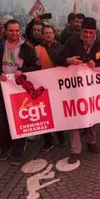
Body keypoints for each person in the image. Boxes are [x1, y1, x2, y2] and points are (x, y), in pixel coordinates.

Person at [0, 19, 40, 165]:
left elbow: (36, 67)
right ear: (5, 31)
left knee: (19, 123)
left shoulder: (27, 48)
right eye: (11, 31)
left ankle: (17, 152)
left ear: (19, 31)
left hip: (19, 92)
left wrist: (23, 71)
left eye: (16, 30)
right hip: (0, 90)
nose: (14, 33)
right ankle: (4, 147)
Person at [57, 17, 100, 163]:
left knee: (92, 112)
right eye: (85, 32)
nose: (87, 35)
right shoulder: (71, 41)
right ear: (81, 30)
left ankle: (91, 142)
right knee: (74, 114)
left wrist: (96, 64)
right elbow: (58, 58)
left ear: (94, 32)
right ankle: (75, 150)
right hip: (74, 86)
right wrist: (68, 61)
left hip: (92, 86)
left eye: (90, 33)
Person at [36, 23, 65, 152]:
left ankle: (61, 136)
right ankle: (48, 141)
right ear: (43, 35)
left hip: (57, 87)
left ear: (54, 34)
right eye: (46, 33)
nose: (48, 35)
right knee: (44, 114)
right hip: (42, 86)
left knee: (58, 113)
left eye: (50, 32)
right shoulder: (37, 49)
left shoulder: (62, 48)